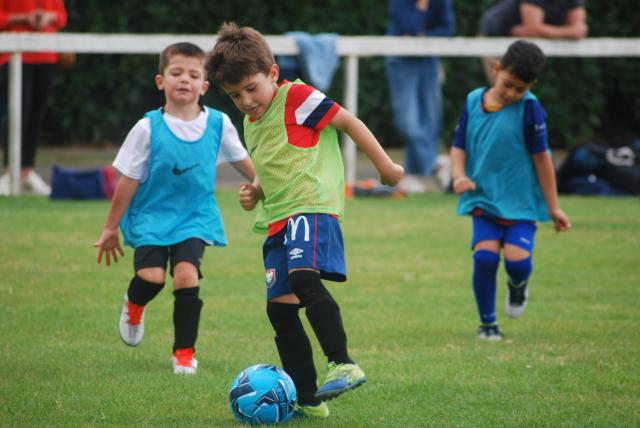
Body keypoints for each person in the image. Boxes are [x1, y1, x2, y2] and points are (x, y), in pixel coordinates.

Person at [206, 23, 404, 418]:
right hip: (278, 218)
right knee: (279, 309)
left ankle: (343, 362)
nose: (245, 101)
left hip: (310, 206)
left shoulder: (297, 96)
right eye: (234, 95)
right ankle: (309, 401)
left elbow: (347, 121)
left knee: (303, 277)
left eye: (251, 88)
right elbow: (274, 159)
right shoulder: (252, 122)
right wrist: (256, 189)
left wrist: (384, 167)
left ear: (273, 74)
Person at [93, 42, 255, 375]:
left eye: (194, 74)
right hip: (152, 216)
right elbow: (127, 181)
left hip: (195, 216)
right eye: (176, 72)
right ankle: (135, 304)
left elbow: (242, 161)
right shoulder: (147, 128)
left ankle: (184, 353)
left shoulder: (219, 124)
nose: (185, 79)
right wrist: (111, 227)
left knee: (186, 277)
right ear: (160, 81)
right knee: (151, 279)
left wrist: (266, 185)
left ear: (205, 86)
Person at [450, 40, 571, 341]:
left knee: (518, 263)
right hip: (484, 198)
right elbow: (458, 146)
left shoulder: (531, 109)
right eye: (508, 84)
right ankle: (487, 324)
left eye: (521, 89)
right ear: (496, 69)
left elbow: (543, 160)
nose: (512, 94)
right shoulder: (472, 100)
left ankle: (518, 286)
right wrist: (458, 176)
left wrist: (553, 207)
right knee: (485, 258)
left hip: (521, 203)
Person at [385, 0, 455, 193]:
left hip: (429, 61)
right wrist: (421, 6)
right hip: (401, 61)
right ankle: (436, 167)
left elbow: (448, 30)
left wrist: (426, 35)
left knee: (431, 122)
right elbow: (410, 28)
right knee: (407, 123)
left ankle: (414, 176)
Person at [0, 0, 68, 196]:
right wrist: (22, 18)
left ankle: (26, 171)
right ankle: (9, 171)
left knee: (36, 115)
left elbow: (62, 17)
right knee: (16, 114)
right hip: (15, 55)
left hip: (46, 55)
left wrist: (49, 17)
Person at [478, 0, 588, 83]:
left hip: (524, 43)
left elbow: (579, 31)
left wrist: (538, 30)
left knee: (517, 91)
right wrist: (567, 32)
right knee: (506, 90)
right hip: (496, 37)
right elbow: (534, 29)